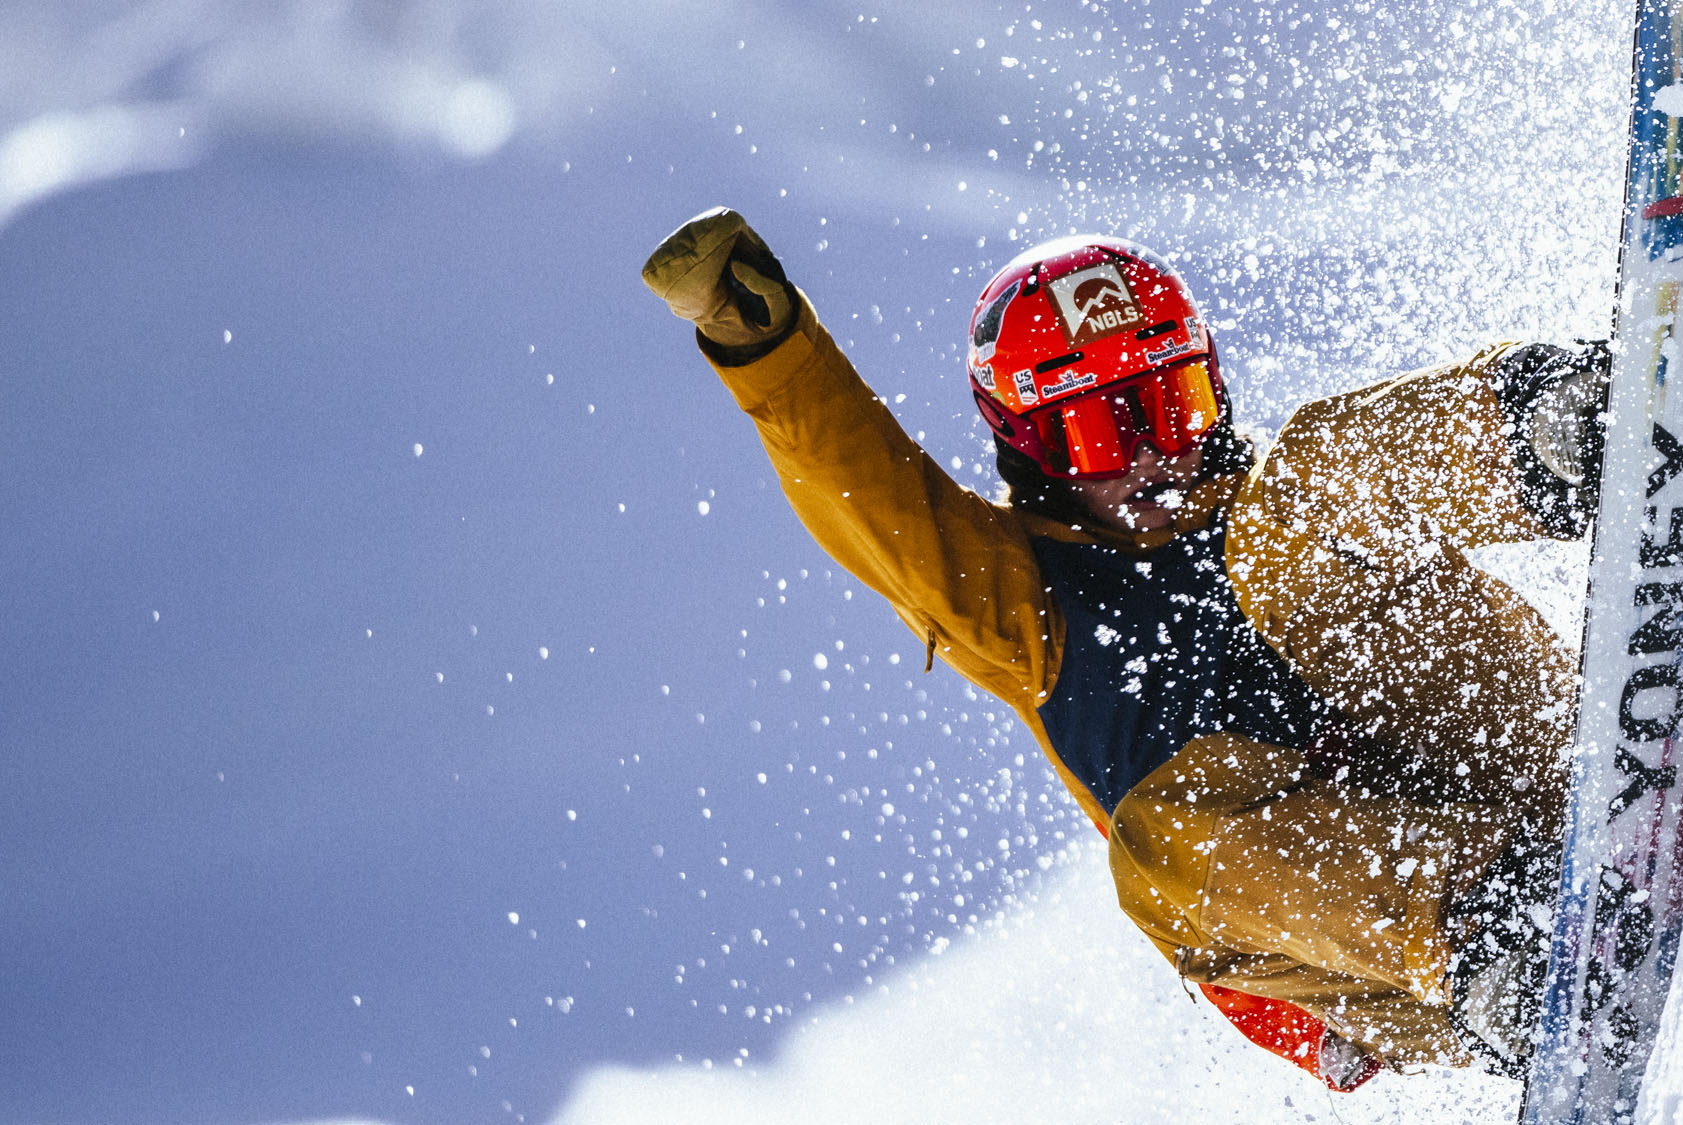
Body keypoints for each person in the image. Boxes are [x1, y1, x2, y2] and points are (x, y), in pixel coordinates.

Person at [641, 207, 1608, 1089]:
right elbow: (878, 508)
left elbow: (1312, 491)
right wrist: (766, 345)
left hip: (1526, 755)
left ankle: (1567, 426)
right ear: (1032, 449)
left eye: (1173, 402)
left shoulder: (1287, 511)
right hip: (1420, 940)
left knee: (1293, 491)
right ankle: (1513, 937)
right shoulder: (1031, 612)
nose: (1154, 451)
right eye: (1103, 428)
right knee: (1154, 852)